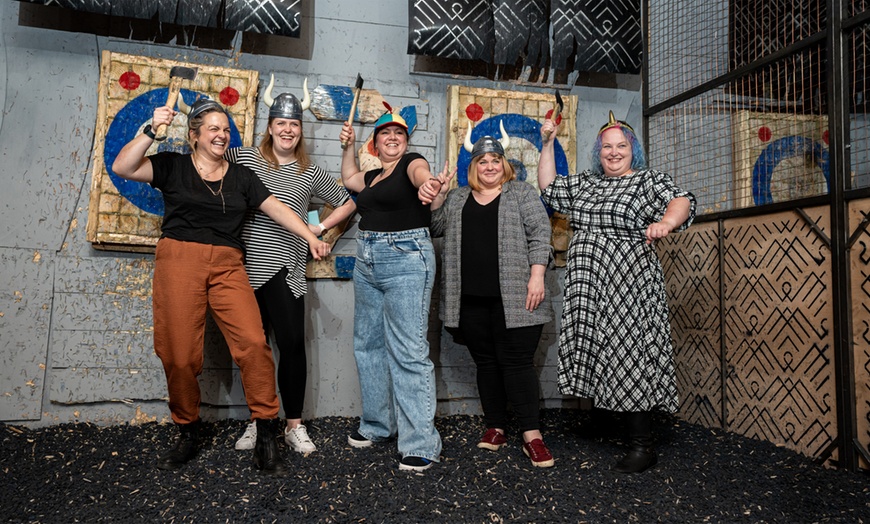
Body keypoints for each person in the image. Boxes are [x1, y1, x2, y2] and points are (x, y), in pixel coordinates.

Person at [111, 98, 331, 476]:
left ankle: (265, 435)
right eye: (213, 128)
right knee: (178, 354)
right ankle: (187, 430)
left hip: (229, 264)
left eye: (226, 129)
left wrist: (309, 235)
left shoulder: (243, 175)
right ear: (194, 135)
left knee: (254, 344)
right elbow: (123, 166)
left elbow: (278, 208)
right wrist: (151, 128)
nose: (221, 134)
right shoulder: (173, 165)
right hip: (180, 259)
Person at [537, 111, 695, 473]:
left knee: (628, 350)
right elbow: (549, 187)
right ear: (599, 152)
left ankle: (642, 443)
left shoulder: (646, 181)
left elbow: (682, 200)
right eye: (607, 146)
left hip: (628, 283)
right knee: (596, 347)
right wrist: (547, 143)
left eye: (621, 146)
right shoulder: (588, 183)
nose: (613, 152)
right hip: (589, 283)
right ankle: (607, 419)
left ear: (632, 150)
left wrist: (666, 223)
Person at [226, 79, 356, 455]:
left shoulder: (310, 173)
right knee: (254, 349)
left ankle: (293, 425)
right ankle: (258, 420)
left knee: (292, 346)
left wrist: (320, 227)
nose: (287, 129)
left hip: (287, 268)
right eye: (281, 123)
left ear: (300, 130)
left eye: (294, 124)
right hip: (245, 268)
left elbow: (348, 201)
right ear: (269, 126)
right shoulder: (245, 158)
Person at [424, 128, 556, 468]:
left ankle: (532, 436)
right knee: (486, 363)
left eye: (495, 160)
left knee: (517, 364)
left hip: (516, 297)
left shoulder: (522, 194)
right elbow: (434, 225)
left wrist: (537, 275)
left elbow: (541, 235)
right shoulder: (457, 198)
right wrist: (437, 193)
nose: (489, 166)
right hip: (470, 298)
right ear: (473, 167)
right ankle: (495, 426)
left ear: (504, 164)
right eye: (482, 161)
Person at [337, 105, 451, 472]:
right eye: (385, 134)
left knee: (409, 351)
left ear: (405, 142)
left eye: (399, 134)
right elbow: (349, 177)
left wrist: (431, 186)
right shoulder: (373, 177)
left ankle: (420, 443)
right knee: (368, 344)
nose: (392, 138)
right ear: (376, 142)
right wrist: (347, 147)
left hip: (405, 258)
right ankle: (377, 425)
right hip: (367, 258)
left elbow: (424, 179)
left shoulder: (412, 163)